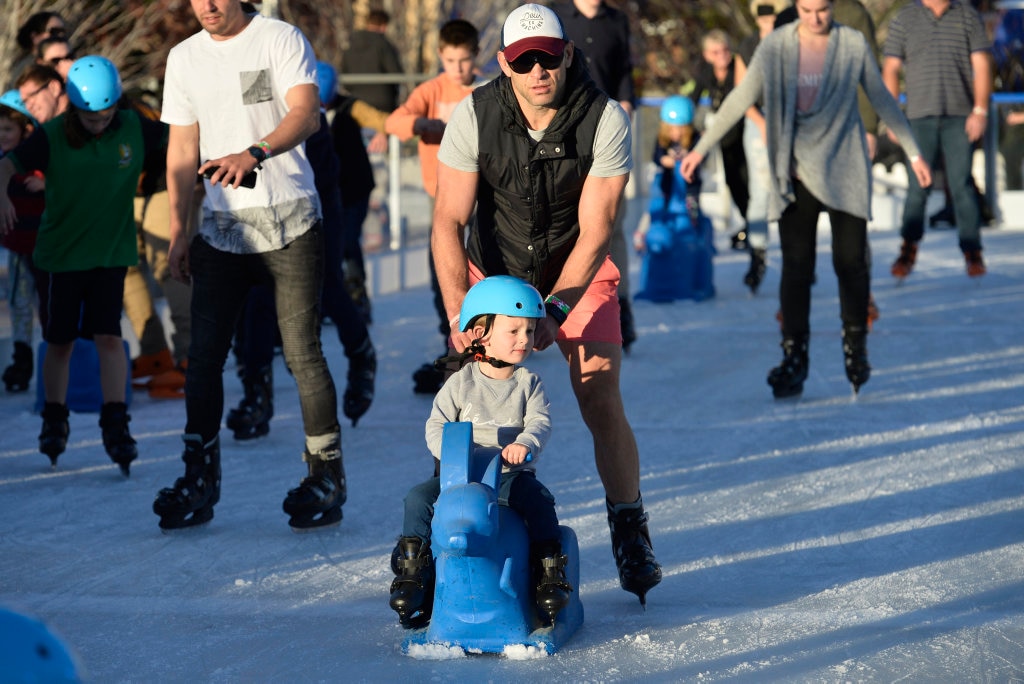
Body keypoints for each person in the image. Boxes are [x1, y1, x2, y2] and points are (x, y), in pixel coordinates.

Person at [432, 3, 662, 605]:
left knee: (599, 393)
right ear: (505, 65)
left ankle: (628, 523)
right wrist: (463, 311)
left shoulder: (604, 117)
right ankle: (453, 528)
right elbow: (448, 220)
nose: (538, 70)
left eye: (549, 57)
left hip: (577, 270)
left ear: (567, 55)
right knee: (471, 401)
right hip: (495, 270)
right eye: (523, 60)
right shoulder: (474, 114)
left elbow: (597, 230)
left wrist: (556, 308)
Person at [152, 0, 345, 532]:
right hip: (221, 228)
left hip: (292, 223)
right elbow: (181, 151)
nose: (207, 6)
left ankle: (325, 475)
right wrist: (176, 230)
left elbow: (306, 112)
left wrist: (254, 152)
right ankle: (199, 477)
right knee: (204, 357)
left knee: (302, 354)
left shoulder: (278, 38)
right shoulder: (184, 57)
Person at [680, 0, 932, 399]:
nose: (816, 18)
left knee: (850, 262)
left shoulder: (850, 43)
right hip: (796, 171)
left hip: (845, 166)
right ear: (796, 7)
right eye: (807, 10)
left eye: (823, 10)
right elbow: (741, 97)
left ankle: (856, 349)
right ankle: (794, 356)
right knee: (797, 268)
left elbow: (881, 96)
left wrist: (913, 151)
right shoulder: (777, 45)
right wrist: (700, 148)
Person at [0, 56, 166, 475]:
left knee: (109, 337)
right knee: (61, 342)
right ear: (73, 106)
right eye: (89, 116)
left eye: (105, 114)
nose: (98, 122)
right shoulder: (52, 135)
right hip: (62, 258)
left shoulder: (132, 126)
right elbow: (5, 164)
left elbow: (181, 139)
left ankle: (116, 422)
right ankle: (54, 418)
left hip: (110, 254)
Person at [389, 276, 573, 629]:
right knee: (417, 499)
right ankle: (415, 573)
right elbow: (436, 424)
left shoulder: (528, 384)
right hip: (460, 476)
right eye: (514, 330)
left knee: (538, 501)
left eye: (530, 331)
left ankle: (548, 570)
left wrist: (524, 445)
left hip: (507, 476)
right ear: (481, 333)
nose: (524, 339)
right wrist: (453, 454)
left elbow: (540, 423)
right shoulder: (460, 382)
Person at [384, 19, 484, 395]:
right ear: (441, 57)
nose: (457, 68)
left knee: (482, 269)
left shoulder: (486, 90)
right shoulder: (432, 90)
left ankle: (490, 341)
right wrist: (424, 122)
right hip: (442, 199)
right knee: (443, 271)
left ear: (476, 57)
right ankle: (455, 341)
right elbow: (395, 121)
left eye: (464, 60)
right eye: (450, 60)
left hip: (483, 197)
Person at [552, 0, 639, 351]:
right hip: (562, 136)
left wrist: (627, 103)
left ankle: (621, 306)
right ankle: (542, 310)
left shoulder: (616, 21)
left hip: (606, 131)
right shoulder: (555, 16)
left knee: (610, 225)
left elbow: (623, 71)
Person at [883, 0, 993, 279]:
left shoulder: (967, 16)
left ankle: (972, 251)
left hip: (960, 116)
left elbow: (981, 64)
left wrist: (980, 110)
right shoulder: (905, 18)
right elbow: (892, 68)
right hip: (919, 118)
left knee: (962, 185)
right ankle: (908, 249)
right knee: (917, 188)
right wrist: (893, 116)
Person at [734, 0, 789, 293]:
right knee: (760, 191)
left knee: (792, 189)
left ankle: (798, 256)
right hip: (759, 121)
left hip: (793, 122)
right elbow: (742, 92)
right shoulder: (748, 45)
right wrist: (762, 122)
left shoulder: (793, 39)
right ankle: (757, 255)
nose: (769, 22)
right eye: (765, 17)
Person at [691, 29, 751, 254]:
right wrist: (691, 123)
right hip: (724, 135)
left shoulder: (739, 67)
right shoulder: (706, 71)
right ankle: (748, 222)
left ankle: (753, 225)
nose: (722, 55)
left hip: (744, 130)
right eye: (715, 52)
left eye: (725, 50)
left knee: (748, 180)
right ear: (707, 55)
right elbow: (694, 97)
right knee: (733, 180)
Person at [0, 91, 43, 393]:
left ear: (26, 130)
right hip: (16, 248)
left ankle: (57, 358)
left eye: (7, 130)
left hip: (44, 248)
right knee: (19, 304)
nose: (1, 136)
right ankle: (22, 359)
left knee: (49, 306)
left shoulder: (38, 161)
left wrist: (47, 182)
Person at [340, 9, 403, 113]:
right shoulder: (384, 45)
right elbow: (396, 74)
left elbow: (344, 73)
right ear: (383, 26)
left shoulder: (350, 45)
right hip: (383, 103)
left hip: (356, 102)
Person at [9, 11, 66, 88]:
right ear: (35, 36)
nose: (60, 36)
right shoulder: (25, 69)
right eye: (54, 32)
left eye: (63, 31)